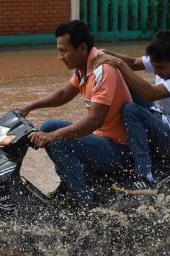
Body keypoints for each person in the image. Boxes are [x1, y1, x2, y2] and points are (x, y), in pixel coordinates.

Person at [17, 20, 132, 206]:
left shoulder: (103, 69)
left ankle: (86, 203)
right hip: (102, 140)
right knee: (48, 126)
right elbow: (63, 94)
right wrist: (29, 107)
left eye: (64, 51)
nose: (60, 57)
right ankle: (74, 184)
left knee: (58, 138)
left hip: (119, 149)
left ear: (82, 48)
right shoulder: (83, 68)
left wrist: (50, 137)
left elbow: (94, 120)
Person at [94, 30, 170, 189]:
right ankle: (116, 138)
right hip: (160, 118)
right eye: (154, 67)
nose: (156, 72)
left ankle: (145, 175)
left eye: (161, 68)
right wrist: (105, 54)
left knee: (130, 110)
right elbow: (134, 64)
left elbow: (151, 94)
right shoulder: (164, 55)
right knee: (122, 82)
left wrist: (118, 63)